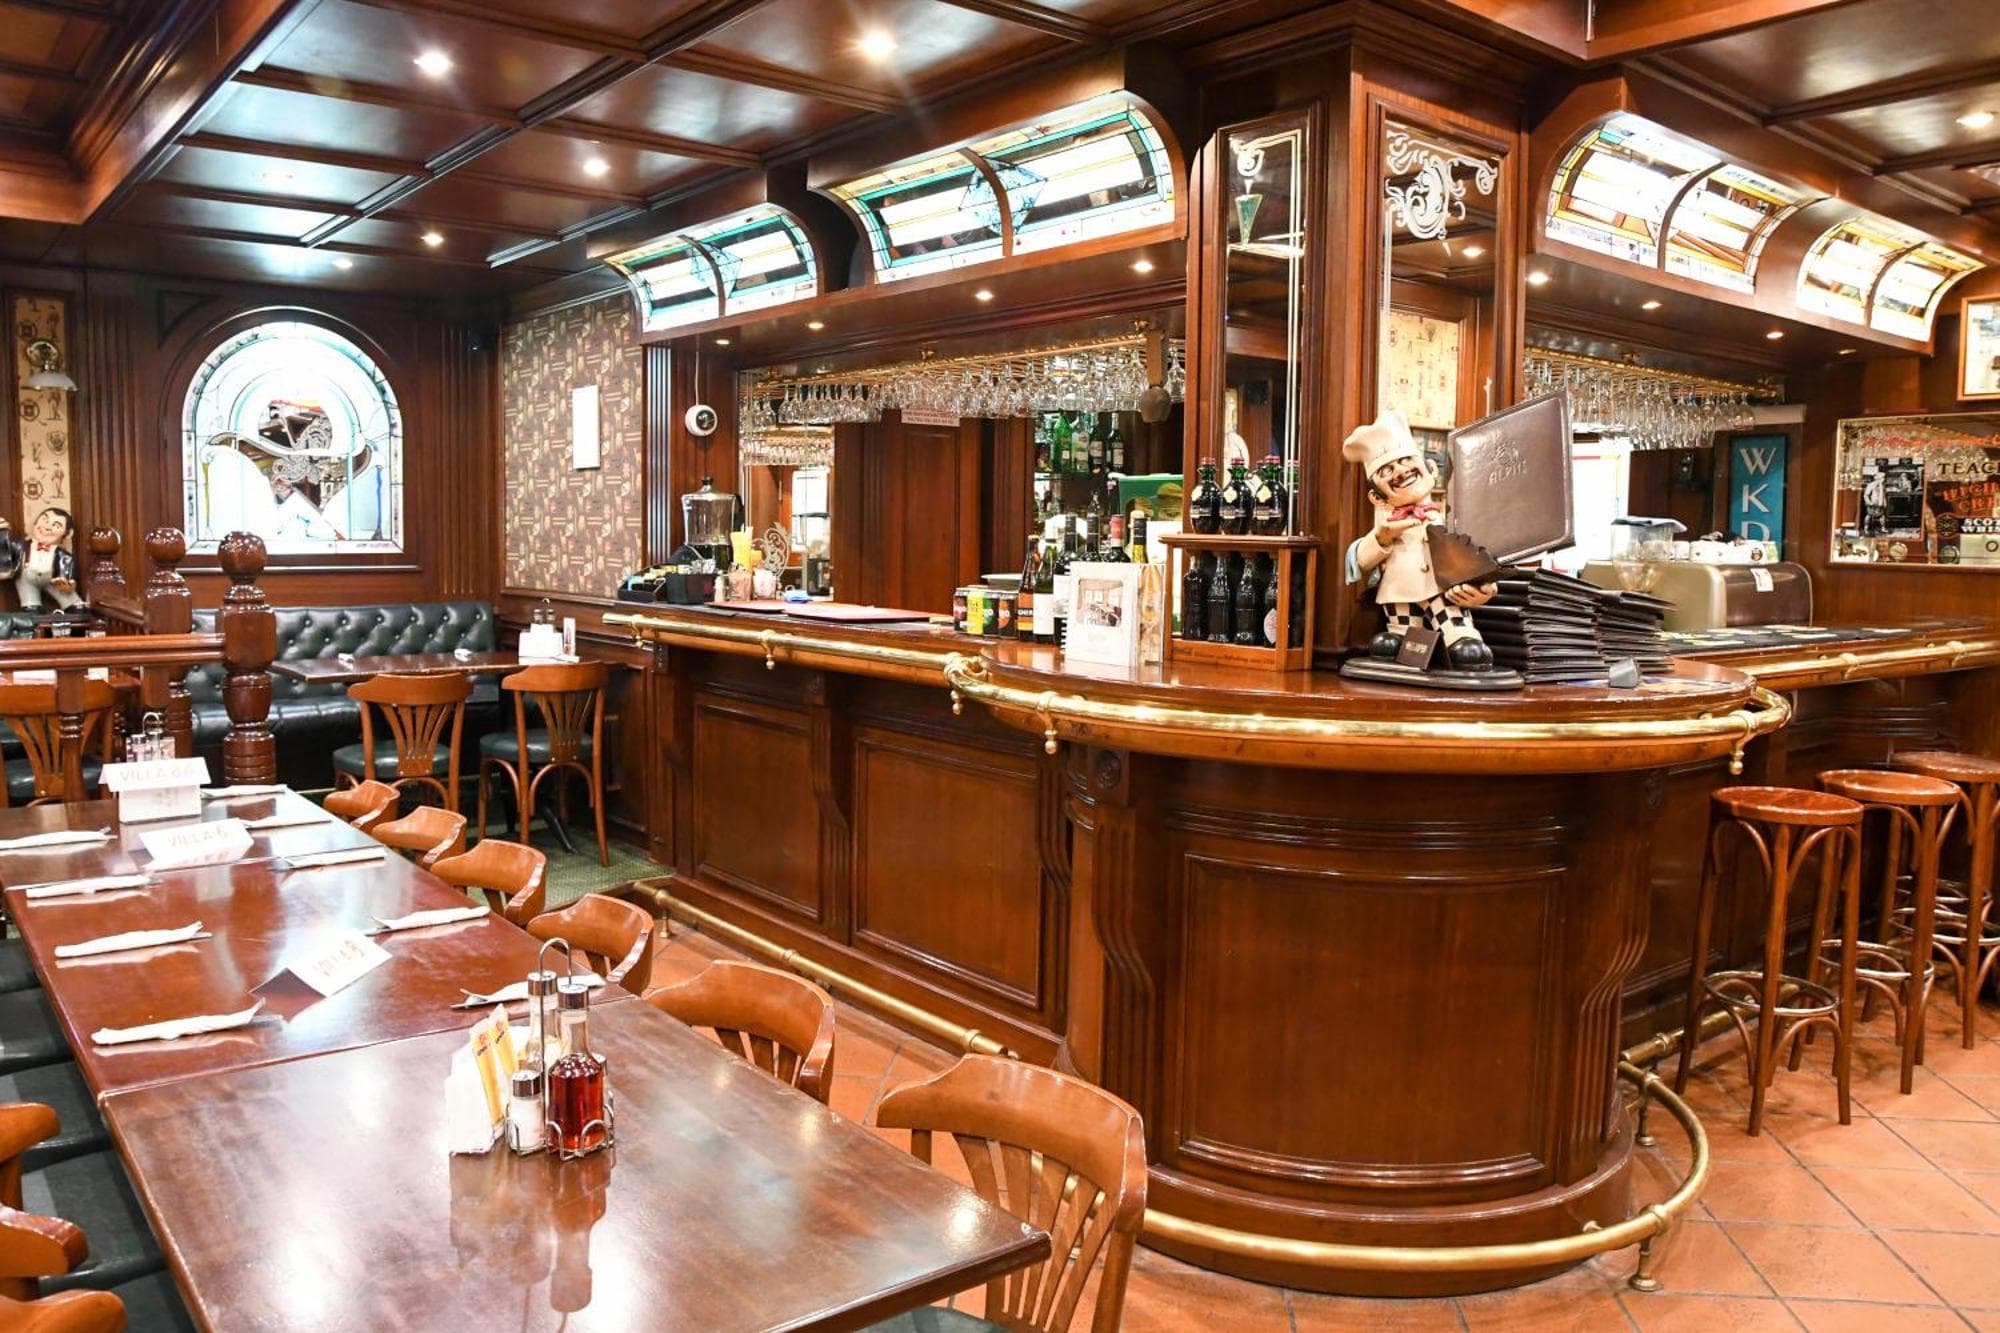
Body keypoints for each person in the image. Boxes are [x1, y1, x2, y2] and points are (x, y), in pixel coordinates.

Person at [1341, 409, 1498, 671]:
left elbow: (1477, 557)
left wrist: (1485, 588)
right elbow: (1359, 561)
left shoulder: (1454, 522)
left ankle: (1458, 634)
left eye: (1406, 461)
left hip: (1443, 593)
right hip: (1398, 594)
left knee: (1465, 648)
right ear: (1377, 498)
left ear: (1431, 470)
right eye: (1387, 470)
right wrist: (1382, 538)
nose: (1400, 472)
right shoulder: (1387, 529)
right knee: (1392, 643)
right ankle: (1400, 635)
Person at [0, 506, 80, 609]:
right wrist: (1, 535)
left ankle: (74, 606)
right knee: (31, 606)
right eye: (45, 520)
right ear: (35, 522)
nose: (47, 527)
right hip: (26, 579)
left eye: (56, 525)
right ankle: (32, 607)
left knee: (74, 604)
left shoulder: (62, 555)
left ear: (67, 533)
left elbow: (66, 567)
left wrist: (67, 582)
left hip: (52, 580)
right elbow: (5, 554)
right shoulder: (20, 546)